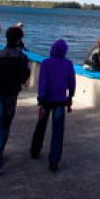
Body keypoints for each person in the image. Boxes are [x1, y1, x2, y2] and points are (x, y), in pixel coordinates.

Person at [0, 26, 31, 175]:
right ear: (19, 39)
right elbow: (24, 76)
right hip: (11, 94)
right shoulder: (21, 57)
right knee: (5, 124)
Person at [30, 39, 76, 172]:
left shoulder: (46, 63)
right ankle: (54, 160)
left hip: (46, 101)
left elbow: (42, 83)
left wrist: (41, 99)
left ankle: (35, 150)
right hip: (60, 101)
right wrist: (70, 97)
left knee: (41, 126)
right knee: (58, 131)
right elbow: (71, 83)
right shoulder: (68, 64)